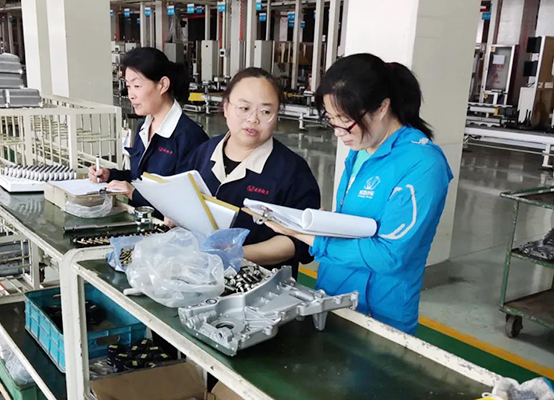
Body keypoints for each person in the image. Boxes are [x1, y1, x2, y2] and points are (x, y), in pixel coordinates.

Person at [268, 54, 453, 334]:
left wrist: (305, 236)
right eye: (331, 119)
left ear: (382, 108)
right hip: (332, 295)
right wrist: (315, 223)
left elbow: (389, 255)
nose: (338, 132)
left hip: (379, 311)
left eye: (345, 120)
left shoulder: (424, 164)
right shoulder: (361, 150)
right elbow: (355, 222)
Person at [182, 67, 321, 277]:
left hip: (260, 283)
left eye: (265, 112)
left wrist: (236, 255)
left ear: (277, 116)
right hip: (198, 271)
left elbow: (298, 242)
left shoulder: (293, 171)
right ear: (226, 107)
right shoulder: (204, 152)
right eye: (244, 108)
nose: (253, 119)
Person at [89, 47, 208, 207]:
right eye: (129, 86)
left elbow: (186, 202)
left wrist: (133, 193)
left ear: (163, 85)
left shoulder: (190, 138)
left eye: (137, 86)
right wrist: (110, 175)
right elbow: (138, 177)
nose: (131, 95)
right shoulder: (144, 128)